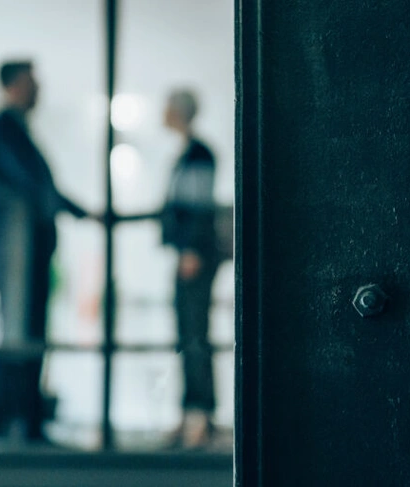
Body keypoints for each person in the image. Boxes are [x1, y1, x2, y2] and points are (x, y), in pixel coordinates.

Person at [0, 60, 88, 443]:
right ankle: (15, 421)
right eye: (30, 83)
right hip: (17, 250)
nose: (37, 90)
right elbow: (36, 187)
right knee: (19, 329)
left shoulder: (16, 133)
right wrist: (80, 211)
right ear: (12, 86)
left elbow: (41, 188)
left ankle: (19, 419)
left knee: (25, 328)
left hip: (28, 248)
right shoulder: (5, 132)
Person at [161, 89, 220, 448]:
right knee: (187, 332)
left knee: (194, 332)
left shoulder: (198, 154)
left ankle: (200, 414)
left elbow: (198, 204)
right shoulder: (190, 153)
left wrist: (192, 248)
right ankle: (192, 413)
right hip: (188, 253)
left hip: (194, 255)